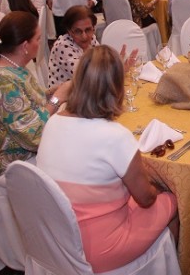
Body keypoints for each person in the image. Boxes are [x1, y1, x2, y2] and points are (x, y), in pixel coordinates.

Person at [37, 45, 179, 273]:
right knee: (173, 199)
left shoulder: (53, 122)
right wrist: (158, 186)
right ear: (117, 88)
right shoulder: (115, 136)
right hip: (99, 249)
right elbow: (146, 199)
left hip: (57, 237)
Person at [0, 11, 70, 181]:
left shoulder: (13, 65)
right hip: (10, 162)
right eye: (37, 39)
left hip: (22, 150)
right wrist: (57, 98)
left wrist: (51, 92)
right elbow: (32, 136)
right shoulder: (1, 80)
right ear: (24, 46)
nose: (40, 43)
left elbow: (27, 101)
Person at [48, 5, 99, 89]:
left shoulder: (92, 38)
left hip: (85, 90)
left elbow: (101, 64)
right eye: (78, 31)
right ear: (69, 31)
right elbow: (87, 76)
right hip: (64, 97)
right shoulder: (62, 46)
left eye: (88, 30)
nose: (84, 36)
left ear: (93, 28)